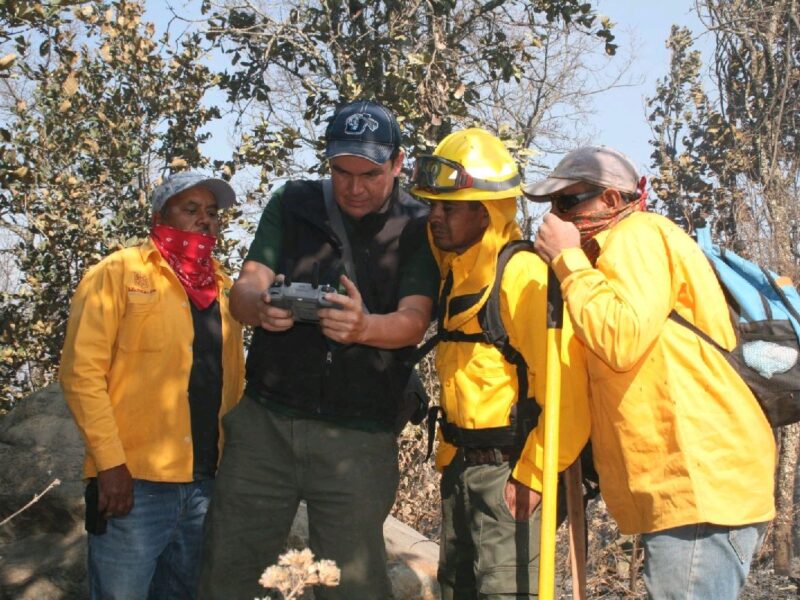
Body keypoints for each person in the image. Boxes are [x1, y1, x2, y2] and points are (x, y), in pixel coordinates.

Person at [199, 99, 439, 599]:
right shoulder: (293, 202)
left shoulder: (419, 223)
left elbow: (414, 321)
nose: (354, 187)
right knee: (231, 573)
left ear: (397, 164)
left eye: (370, 173)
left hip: (360, 433)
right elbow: (244, 288)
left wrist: (364, 327)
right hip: (266, 424)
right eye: (340, 170)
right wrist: (260, 307)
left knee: (352, 586)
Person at [527, 145, 776, 599]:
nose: (557, 219)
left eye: (568, 203)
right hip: (689, 491)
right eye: (552, 207)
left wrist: (566, 261)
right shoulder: (605, 259)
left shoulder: (638, 236)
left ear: (610, 200)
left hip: (701, 488)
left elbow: (620, 339)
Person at [410, 128, 590, 599]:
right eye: (432, 204)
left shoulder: (522, 275)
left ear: (485, 211)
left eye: (448, 207)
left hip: (510, 475)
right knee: (457, 589)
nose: (435, 216)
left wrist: (533, 474)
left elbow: (567, 392)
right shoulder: (457, 270)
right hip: (460, 472)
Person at [59, 171, 245, 599]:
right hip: (134, 483)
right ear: (160, 215)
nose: (205, 221)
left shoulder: (223, 289)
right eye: (191, 209)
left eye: (213, 214)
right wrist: (109, 466)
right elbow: (81, 373)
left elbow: (232, 383)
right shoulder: (118, 272)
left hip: (204, 484)